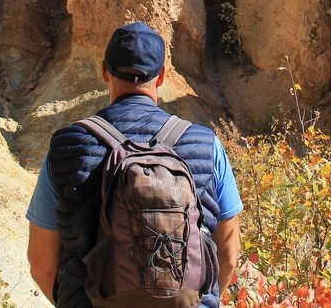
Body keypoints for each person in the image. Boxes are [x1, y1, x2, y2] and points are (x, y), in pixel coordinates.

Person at [26, 21, 243, 308]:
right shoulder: (206, 144)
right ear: (163, 76)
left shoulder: (67, 146)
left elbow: (42, 265)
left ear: (104, 71)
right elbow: (228, 254)